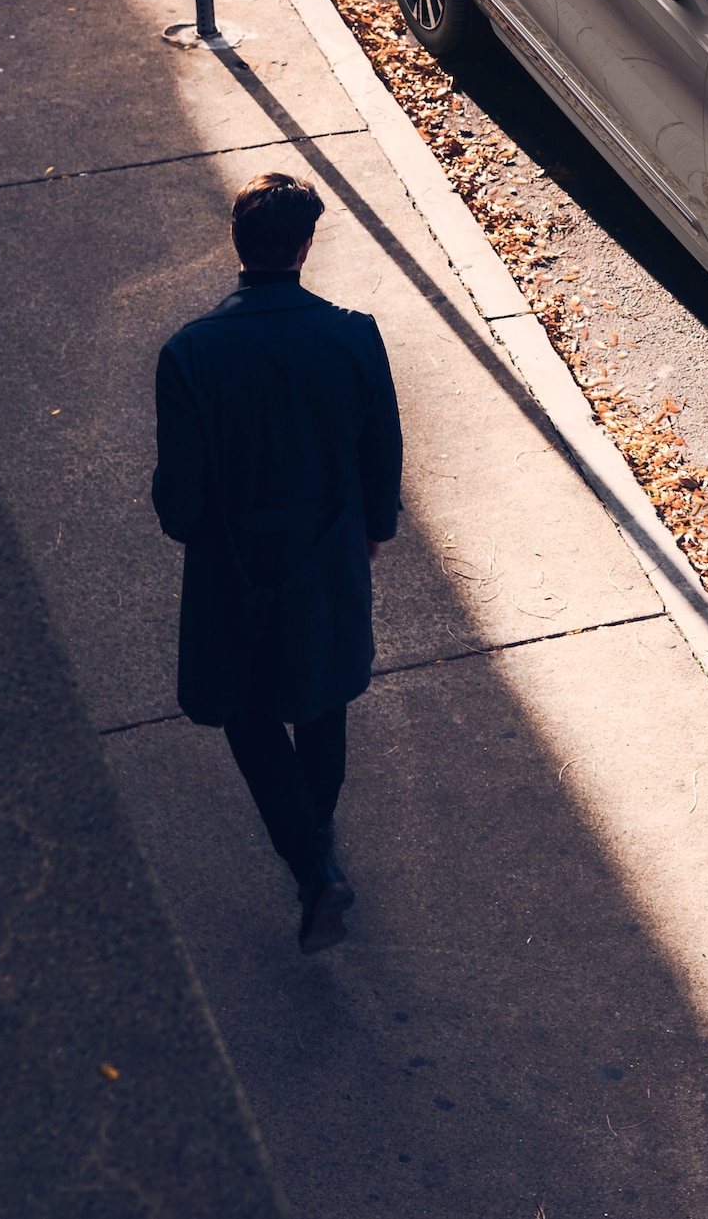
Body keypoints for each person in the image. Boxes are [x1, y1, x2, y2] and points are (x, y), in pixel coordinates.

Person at [150, 171, 403, 953]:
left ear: (238, 243)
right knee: (322, 700)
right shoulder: (354, 335)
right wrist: (372, 531)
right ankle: (316, 835)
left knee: (247, 708)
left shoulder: (190, 353)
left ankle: (311, 859)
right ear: (304, 247)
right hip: (325, 557)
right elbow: (381, 453)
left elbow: (179, 504)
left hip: (236, 565)